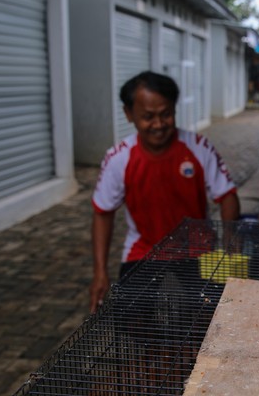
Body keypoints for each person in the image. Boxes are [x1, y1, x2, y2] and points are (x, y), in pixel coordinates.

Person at [89, 71, 240, 313]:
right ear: (129, 114)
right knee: (132, 319)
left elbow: (227, 195)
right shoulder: (118, 158)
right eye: (148, 117)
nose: (158, 125)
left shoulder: (199, 148)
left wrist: (230, 244)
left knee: (206, 318)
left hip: (198, 249)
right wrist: (100, 272)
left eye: (166, 114)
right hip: (143, 250)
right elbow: (102, 212)